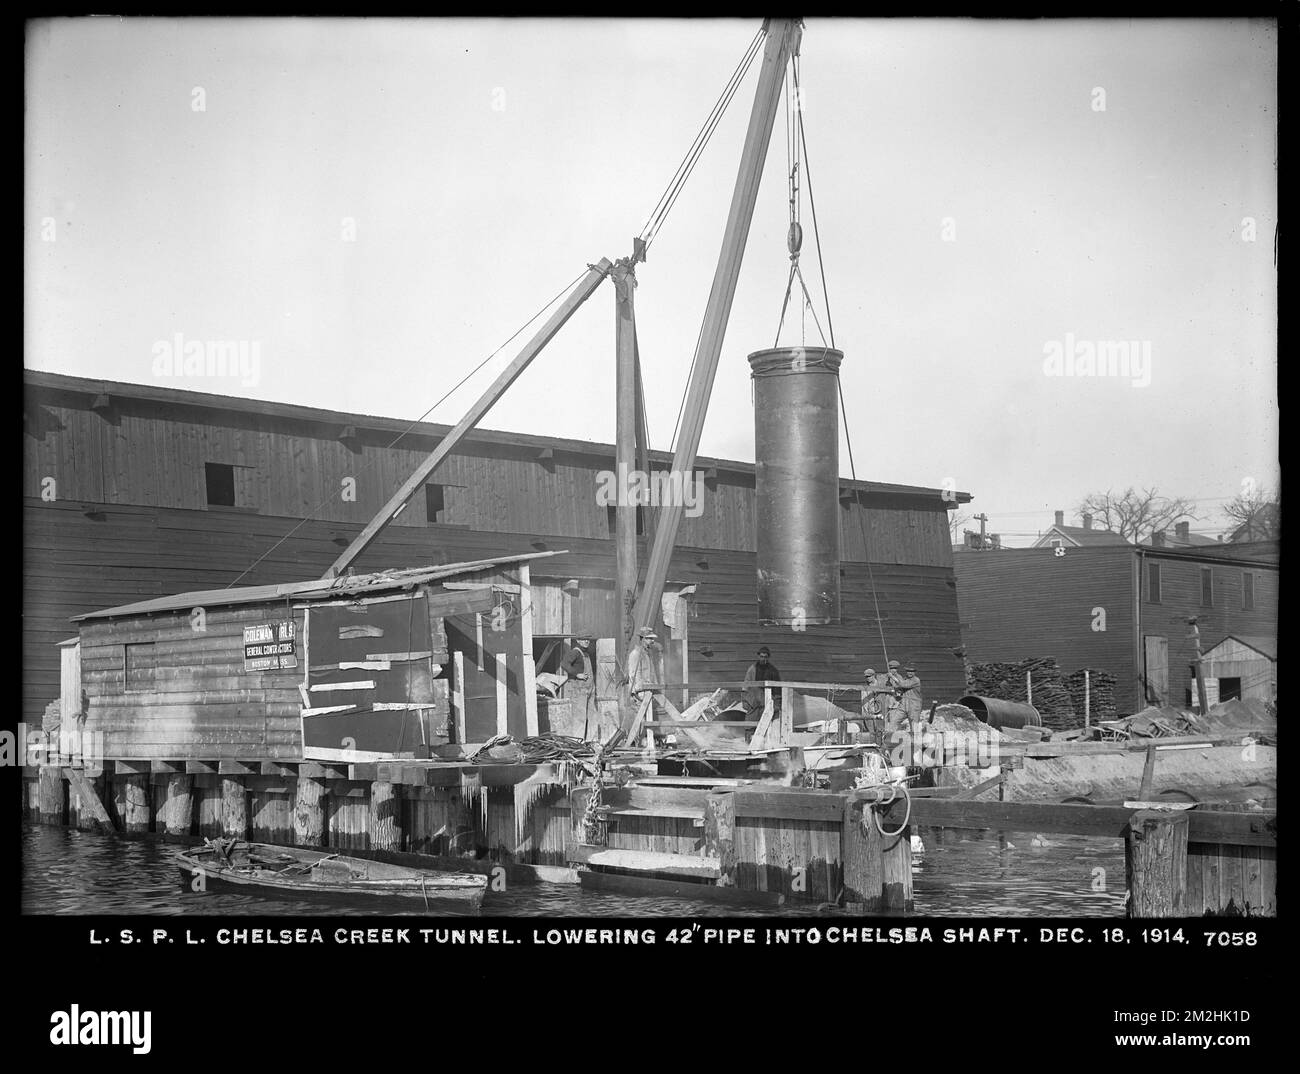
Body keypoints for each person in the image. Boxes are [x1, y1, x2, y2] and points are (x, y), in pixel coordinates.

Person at [743, 646, 782, 718]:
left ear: (768, 657)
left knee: (768, 718)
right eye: (761, 656)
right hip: (754, 699)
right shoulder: (752, 669)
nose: (763, 659)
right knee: (751, 719)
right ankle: (750, 729)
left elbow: (777, 689)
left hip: (768, 699)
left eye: (765, 657)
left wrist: (777, 702)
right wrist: (745, 699)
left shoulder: (773, 671)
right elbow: (746, 684)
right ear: (758, 656)